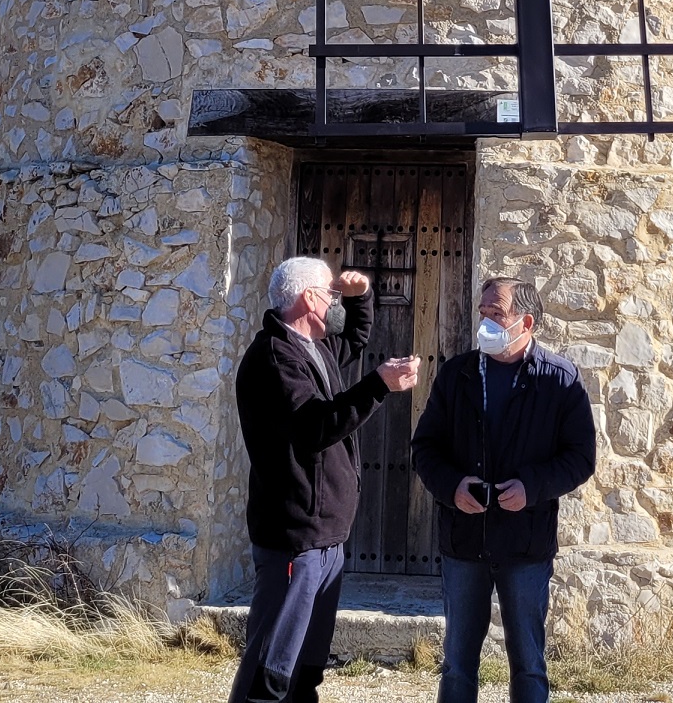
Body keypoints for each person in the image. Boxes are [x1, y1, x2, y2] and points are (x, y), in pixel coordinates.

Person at [230, 255, 421, 703]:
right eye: (331, 294)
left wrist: (362, 298)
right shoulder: (274, 358)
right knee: (272, 666)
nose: (335, 302)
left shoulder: (312, 347)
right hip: (295, 537)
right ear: (309, 299)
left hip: (325, 539)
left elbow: (354, 336)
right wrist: (379, 385)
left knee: (306, 667)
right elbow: (314, 426)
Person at [411, 275, 596, 703]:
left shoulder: (560, 380)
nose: (485, 325)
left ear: (525, 322)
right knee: (457, 665)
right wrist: (453, 487)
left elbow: (580, 458)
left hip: (525, 543)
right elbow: (425, 448)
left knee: (528, 665)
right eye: (483, 314)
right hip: (464, 540)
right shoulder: (457, 374)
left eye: (497, 315)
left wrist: (531, 487)